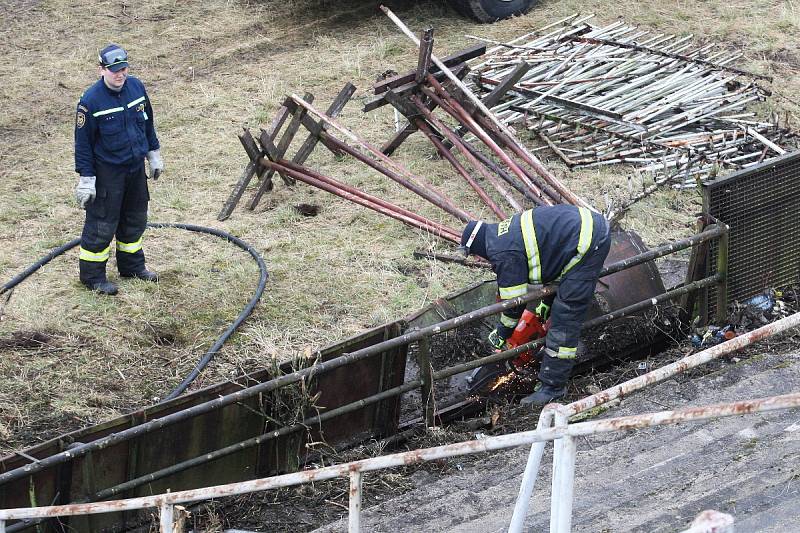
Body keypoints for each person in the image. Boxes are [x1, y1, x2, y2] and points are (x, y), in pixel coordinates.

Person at [460, 205, 610, 405]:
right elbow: (550, 259)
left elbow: (513, 305)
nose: (478, 259)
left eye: (474, 254)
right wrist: (546, 303)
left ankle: (552, 388)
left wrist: (502, 333)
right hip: (581, 235)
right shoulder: (503, 234)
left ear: (477, 245)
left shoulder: (502, 252)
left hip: (588, 242)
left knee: (565, 317)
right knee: (556, 308)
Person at [74, 43, 164, 295]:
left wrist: (153, 155)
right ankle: (92, 277)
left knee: (134, 220)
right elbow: (83, 145)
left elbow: (147, 123)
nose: (119, 74)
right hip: (107, 173)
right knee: (102, 225)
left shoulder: (136, 87)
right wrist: (86, 180)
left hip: (135, 169)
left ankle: (132, 267)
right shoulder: (90, 101)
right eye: (114, 70)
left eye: (123, 68)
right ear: (101, 69)